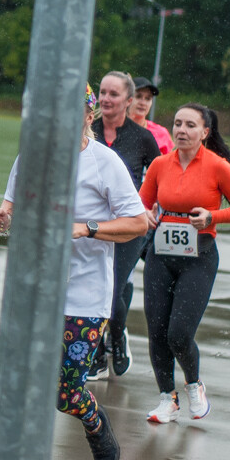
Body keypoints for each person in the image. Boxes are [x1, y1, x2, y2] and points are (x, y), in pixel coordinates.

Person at [0, 84, 147, 460]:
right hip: (36, 290)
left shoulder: (105, 163)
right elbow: (10, 208)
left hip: (84, 295)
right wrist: (0, 218)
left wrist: (86, 227)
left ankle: (95, 423)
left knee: (67, 392)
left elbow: (138, 223)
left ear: (88, 116)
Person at [141, 103, 230, 424]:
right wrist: (147, 214)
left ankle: (194, 385)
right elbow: (142, 202)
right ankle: (167, 398)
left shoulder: (218, 167)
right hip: (160, 255)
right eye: (177, 123)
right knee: (157, 331)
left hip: (199, 257)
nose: (181, 130)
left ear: (205, 132)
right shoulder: (161, 165)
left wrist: (212, 216)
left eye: (190, 125)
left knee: (178, 333)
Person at [89, 71, 161, 379]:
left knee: (113, 288)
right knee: (92, 289)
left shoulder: (142, 137)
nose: (106, 98)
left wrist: (152, 208)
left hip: (129, 226)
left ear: (128, 101)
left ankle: (116, 339)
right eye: (103, 92)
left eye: (114, 94)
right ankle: (96, 349)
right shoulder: (86, 130)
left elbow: (160, 175)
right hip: (90, 223)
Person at [129, 76, 172, 155]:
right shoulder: (114, 130)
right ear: (128, 99)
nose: (143, 103)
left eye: (148, 99)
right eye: (138, 96)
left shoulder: (161, 133)